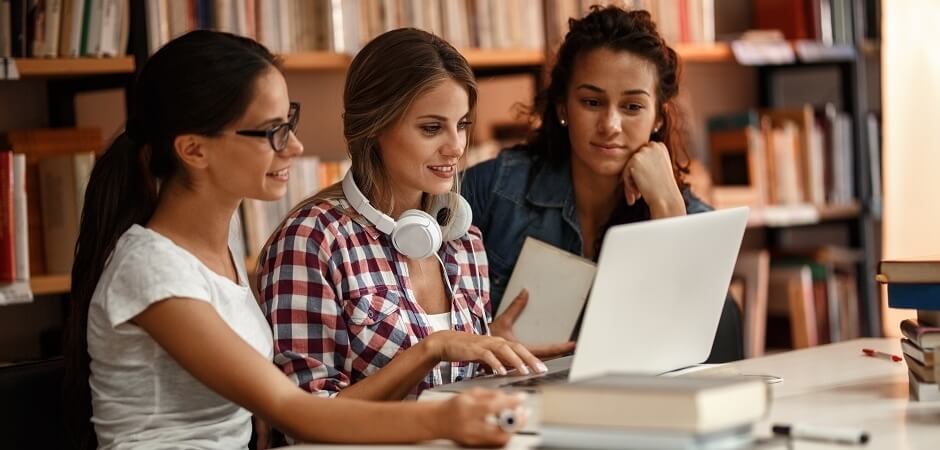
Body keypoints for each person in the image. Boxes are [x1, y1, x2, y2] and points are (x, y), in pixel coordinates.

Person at [63, 30, 523, 450]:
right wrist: (444, 410)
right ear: (193, 150)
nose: (295, 146)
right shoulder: (151, 269)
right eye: (270, 132)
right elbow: (292, 411)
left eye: (290, 121)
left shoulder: (215, 252)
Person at [256, 27, 544, 408]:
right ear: (375, 126)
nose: (456, 146)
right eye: (431, 128)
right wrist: (429, 351)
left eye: (461, 125)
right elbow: (302, 418)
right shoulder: (313, 239)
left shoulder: (464, 241)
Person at [462, 6, 744, 362]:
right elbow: (422, 321)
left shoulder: (690, 215)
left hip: (631, 403)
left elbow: (694, 345)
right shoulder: (492, 190)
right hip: (507, 402)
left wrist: (668, 204)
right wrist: (480, 342)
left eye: (631, 107)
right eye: (592, 102)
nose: (610, 124)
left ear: (658, 117)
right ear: (563, 106)